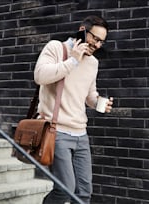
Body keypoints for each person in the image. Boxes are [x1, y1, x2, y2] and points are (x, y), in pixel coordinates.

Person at [34, 15, 114, 204]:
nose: (97, 45)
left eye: (102, 41)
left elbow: (89, 95)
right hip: (57, 131)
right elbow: (40, 76)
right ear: (82, 30)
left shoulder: (93, 63)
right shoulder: (56, 48)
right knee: (64, 189)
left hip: (80, 134)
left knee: (84, 192)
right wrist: (73, 61)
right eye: (94, 38)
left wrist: (99, 103)